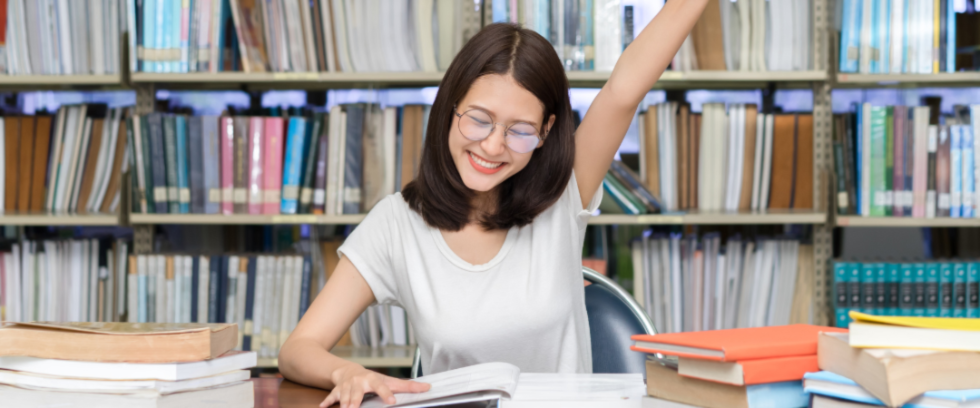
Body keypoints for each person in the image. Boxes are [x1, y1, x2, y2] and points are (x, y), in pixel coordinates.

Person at [279, 2, 709, 407]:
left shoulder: (564, 194)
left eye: (520, 130)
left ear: (545, 132)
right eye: (478, 119)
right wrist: (347, 372)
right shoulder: (397, 223)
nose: (492, 145)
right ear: (450, 108)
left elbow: (623, 90)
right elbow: (298, 349)